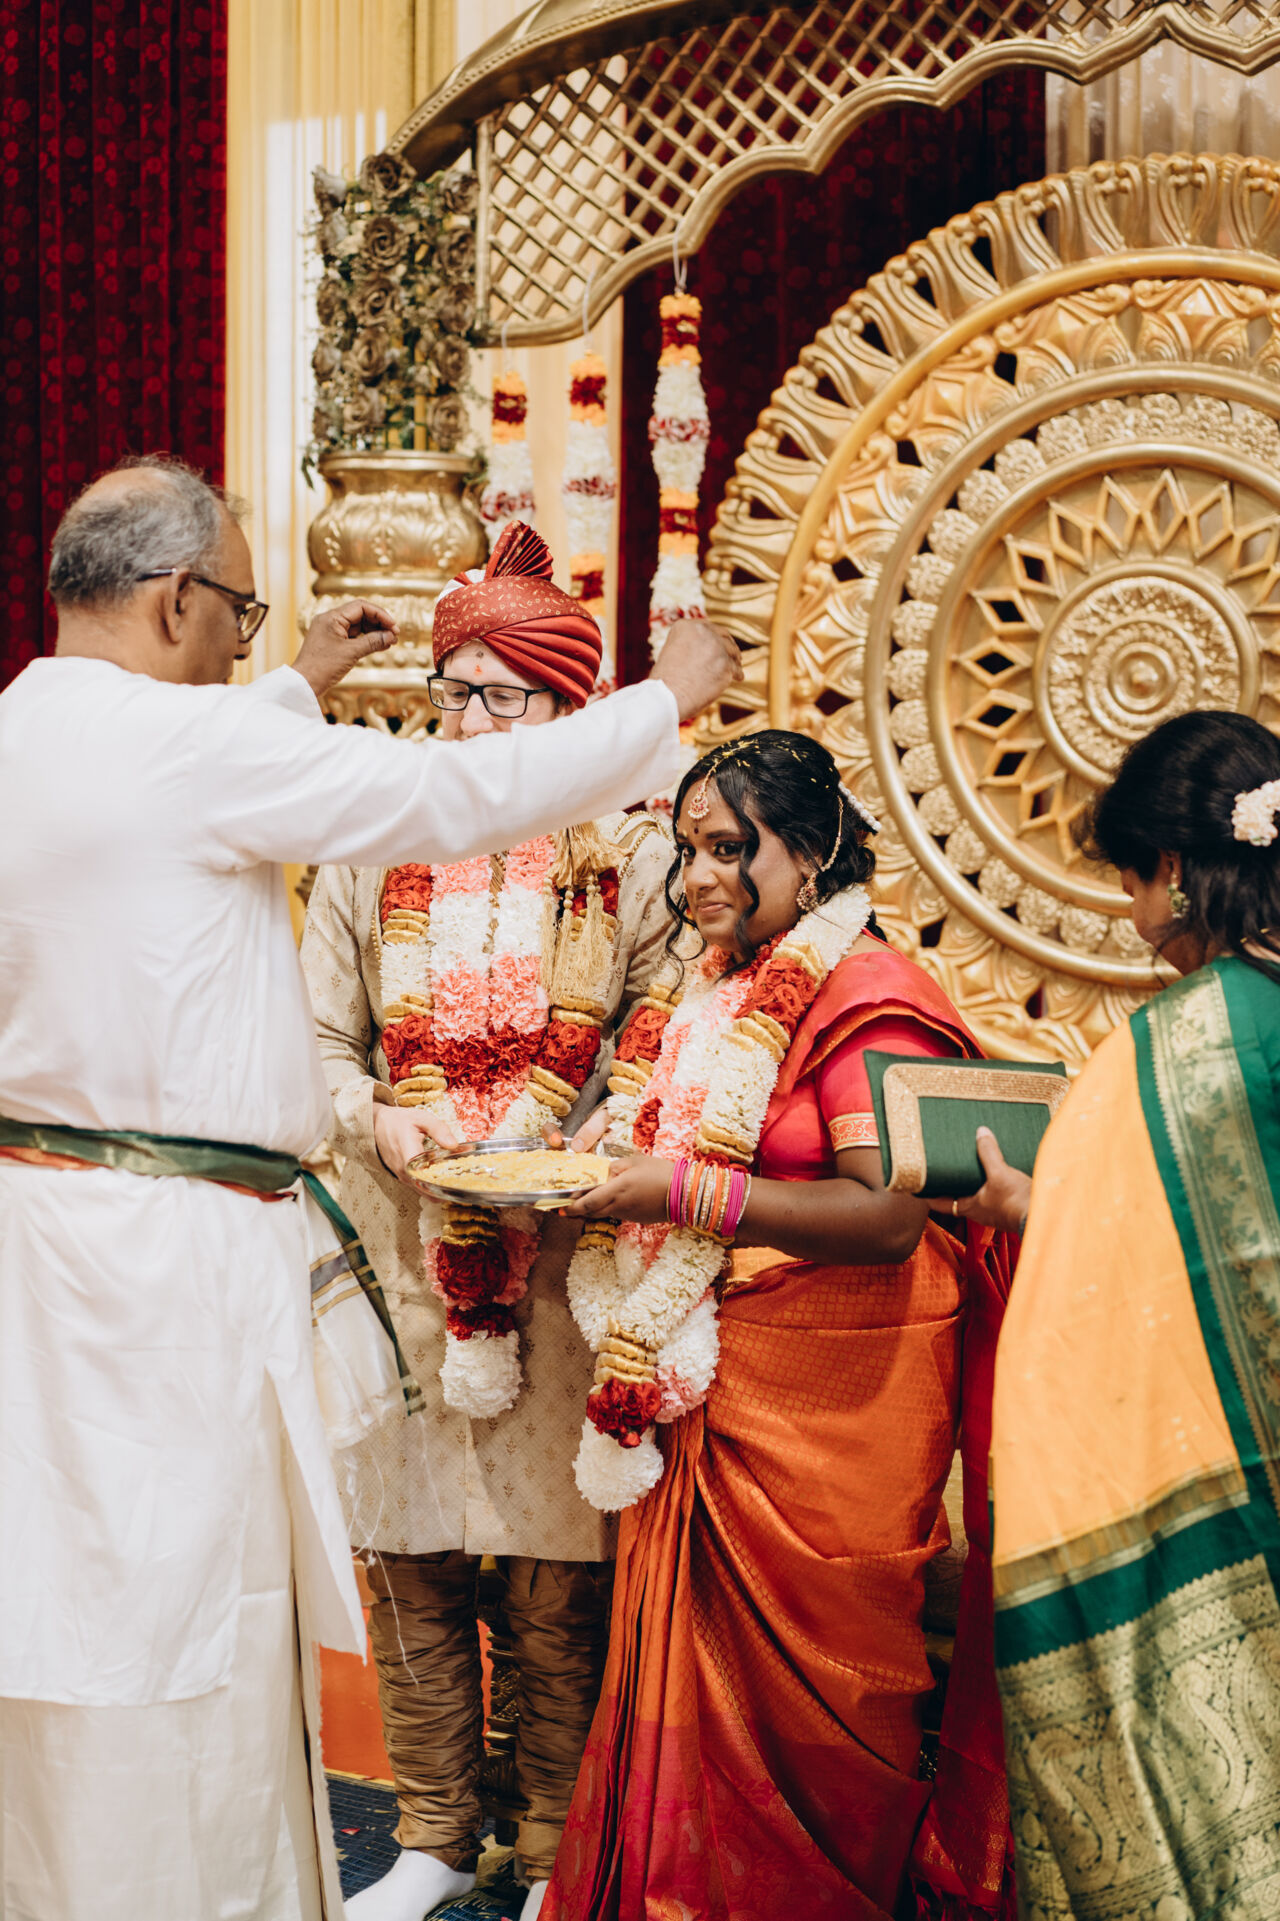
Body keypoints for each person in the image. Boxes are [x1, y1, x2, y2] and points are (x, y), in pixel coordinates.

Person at [0, 455, 738, 1921]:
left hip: (71, 1241)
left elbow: (196, 774)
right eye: (237, 615)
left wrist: (288, 681)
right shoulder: (190, 752)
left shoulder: (32, 724)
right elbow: (443, 797)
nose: (242, 648)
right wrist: (664, 697)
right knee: (181, 1613)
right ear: (173, 601)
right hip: (170, 1262)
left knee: (87, 1605)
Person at [538, 733, 1015, 1921]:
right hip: (704, 1371)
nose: (697, 876)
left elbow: (888, 1218)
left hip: (830, 1399)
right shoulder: (708, 987)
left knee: (817, 1693)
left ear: (807, 852)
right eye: (686, 849)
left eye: (726, 848)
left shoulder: (867, 995)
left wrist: (676, 1191)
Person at [300, 522, 680, 1921]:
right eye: (451, 693)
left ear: (567, 710)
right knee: (407, 1554)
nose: (464, 723)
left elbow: (658, 1036)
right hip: (401, 1252)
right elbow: (315, 1042)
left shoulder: (631, 855)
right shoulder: (370, 848)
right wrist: (379, 1119)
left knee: (550, 1571)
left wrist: (585, 1136)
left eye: (498, 697)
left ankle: (549, 1845)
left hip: (564, 1257)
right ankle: (431, 1838)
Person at [981, 710, 1280, 1920]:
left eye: (1126, 874)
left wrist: (1027, 1210)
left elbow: (1106, 1312)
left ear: (1169, 869)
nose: (1127, 905)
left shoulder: (1164, 1052)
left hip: (1222, 1507)